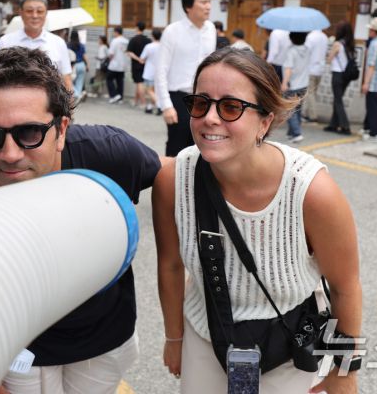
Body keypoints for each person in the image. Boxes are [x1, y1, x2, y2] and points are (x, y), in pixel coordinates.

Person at [152, 48, 361, 394]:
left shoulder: (312, 192)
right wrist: (174, 337)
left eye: (231, 107)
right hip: (206, 335)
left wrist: (346, 371)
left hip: (289, 343)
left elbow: (345, 285)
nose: (210, 119)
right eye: (201, 103)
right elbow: (171, 265)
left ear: (265, 121)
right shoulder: (173, 179)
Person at [0, 47, 162, 394]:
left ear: (62, 128)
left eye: (29, 133)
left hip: (102, 338)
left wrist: (175, 260)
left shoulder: (107, 154)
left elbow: (170, 173)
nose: (9, 154)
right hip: (11, 346)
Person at [155, 0, 216, 156]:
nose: (208, 6)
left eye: (209, 2)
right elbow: (160, 70)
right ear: (188, 6)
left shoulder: (210, 29)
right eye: (203, 2)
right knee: (177, 146)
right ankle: (171, 182)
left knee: (201, 146)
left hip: (203, 97)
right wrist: (166, 105)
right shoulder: (172, 32)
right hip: (179, 98)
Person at [0, 0, 73, 93]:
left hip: (50, 105)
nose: (35, 16)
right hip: (14, 103)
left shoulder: (58, 43)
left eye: (40, 11)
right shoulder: (5, 42)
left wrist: (69, 108)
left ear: (46, 13)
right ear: (21, 12)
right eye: (29, 11)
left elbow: (66, 78)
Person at [324, 21, 355, 135]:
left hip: (337, 75)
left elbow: (329, 59)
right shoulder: (349, 43)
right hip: (346, 75)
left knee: (338, 101)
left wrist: (330, 48)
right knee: (338, 99)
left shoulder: (337, 44)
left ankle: (345, 126)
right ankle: (334, 124)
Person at [280, 32, 310, 143]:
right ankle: (291, 133)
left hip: (293, 85)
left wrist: (284, 82)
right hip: (304, 84)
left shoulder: (291, 51)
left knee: (290, 109)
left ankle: (297, 134)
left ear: (292, 39)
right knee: (297, 109)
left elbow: (288, 68)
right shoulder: (307, 49)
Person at [301, 29, 329, 122]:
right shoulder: (325, 37)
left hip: (311, 68)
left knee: (310, 93)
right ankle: (305, 113)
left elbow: (305, 52)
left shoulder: (310, 37)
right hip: (320, 69)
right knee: (313, 93)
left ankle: (313, 116)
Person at [127, 21, 151, 108]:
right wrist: (143, 60)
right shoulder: (148, 40)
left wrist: (138, 59)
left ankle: (143, 103)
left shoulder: (133, 39)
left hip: (136, 64)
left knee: (139, 83)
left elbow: (129, 53)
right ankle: (135, 101)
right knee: (139, 82)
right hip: (145, 64)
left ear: (137, 28)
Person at [140, 28, 162, 114]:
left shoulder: (148, 46)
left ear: (152, 36)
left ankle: (160, 105)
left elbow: (142, 59)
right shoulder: (163, 46)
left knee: (149, 91)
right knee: (154, 91)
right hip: (159, 72)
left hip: (149, 72)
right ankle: (149, 107)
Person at [107, 26, 128, 103]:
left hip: (114, 64)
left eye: (114, 32)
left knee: (109, 79)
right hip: (123, 65)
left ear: (116, 32)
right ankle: (120, 98)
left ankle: (114, 95)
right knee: (120, 81)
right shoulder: (126, 41)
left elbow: (111, 53)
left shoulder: (115, 41)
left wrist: (109, 59)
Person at [68, 30, 89, 103]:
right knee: (79, 82)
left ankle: (77, 95)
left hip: (73, 65)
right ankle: (78, 95)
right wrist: (87, 65)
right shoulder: (81, 45)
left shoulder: (68, 45)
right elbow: (84, 56)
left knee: (70, 81)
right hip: (82, 64)